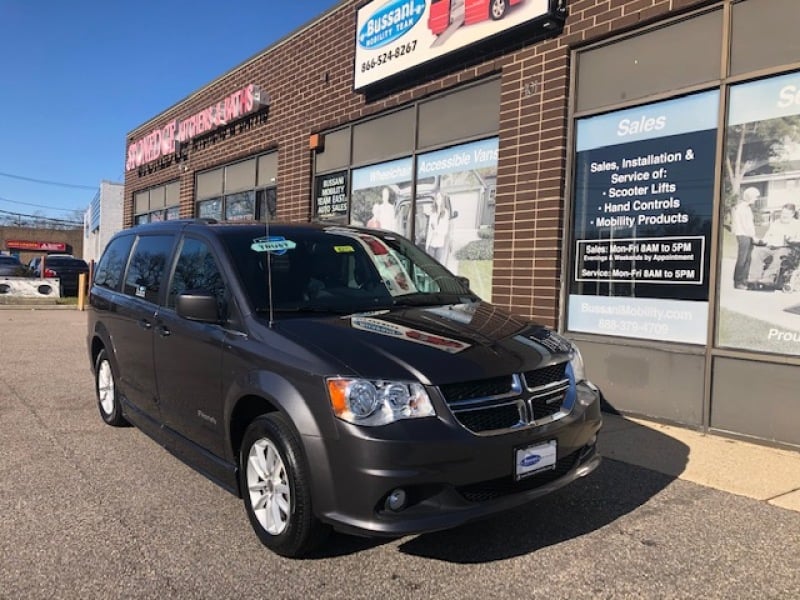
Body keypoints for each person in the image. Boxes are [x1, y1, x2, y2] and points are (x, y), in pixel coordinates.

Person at [748, 203, 800, 286]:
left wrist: (792, 239)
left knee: (779, 255)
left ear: (793, 214)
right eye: (783, 213)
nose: (784, 215)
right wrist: (760, 241)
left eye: (787, 214)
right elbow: (767, 236)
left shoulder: (797, 224)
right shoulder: (776, 223)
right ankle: (754, 278)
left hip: (786, 248)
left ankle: (768, 278)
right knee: (757, 251)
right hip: (770, 247)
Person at [731, 187, 759, 290]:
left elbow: (750, 225)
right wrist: (753, 237)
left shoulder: (748, 208)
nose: (756, 199)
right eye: (755, 197)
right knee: (742, 259)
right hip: (743, 235)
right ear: (750, 197)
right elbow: (745, 225)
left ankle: (744, 280)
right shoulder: (742, 208)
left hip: (748, 235)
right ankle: (738, 282)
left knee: (748, 259)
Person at [425, 192, 452, 262]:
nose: (438, 200)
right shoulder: (432, 213)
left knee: (437, 265)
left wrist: (436, 230)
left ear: (442, 199)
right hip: (431, 244)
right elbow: (429, 231)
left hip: (440, 244)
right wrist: (427, 245)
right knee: (430, 264)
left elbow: (445, 231)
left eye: (439, 198)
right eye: (436, 198)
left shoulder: (445, 213)